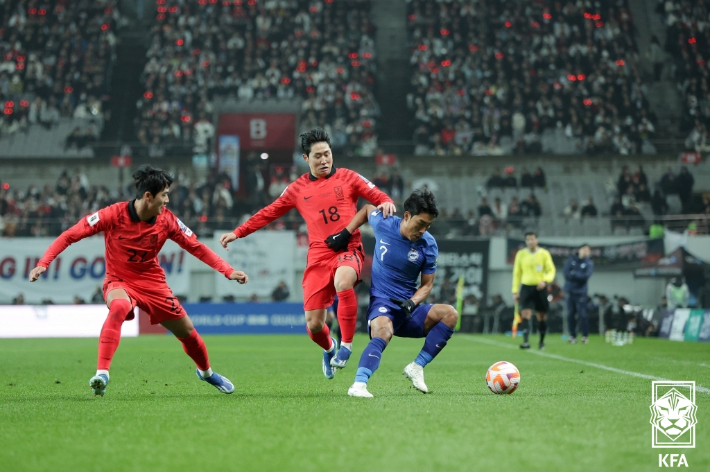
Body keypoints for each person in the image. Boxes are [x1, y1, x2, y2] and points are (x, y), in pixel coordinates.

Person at [29, 165, 249, 397]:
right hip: (119, 281)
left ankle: (206, 373)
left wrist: (228, 270)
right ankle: (102, 374)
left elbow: (196, 248)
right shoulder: (112, 215)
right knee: (120, 306)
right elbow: (70, 234)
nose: (167, 200)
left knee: (187, 331)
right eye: (163, 195)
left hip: (153, 283)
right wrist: (44, 262)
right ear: (148, 196)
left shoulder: (168, 221)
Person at [219, 128, 395, 378]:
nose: (324, 160)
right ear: (305, 158)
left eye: (327, 154)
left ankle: (346, 346)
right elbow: (269, 212)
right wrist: (239, 232)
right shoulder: (297, 189)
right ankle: (330, 346)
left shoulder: (348, 177)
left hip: (348, 248)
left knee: (344, 281)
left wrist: (386, 201)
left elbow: (378, 195)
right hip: (318, 257)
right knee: (314, 326)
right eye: (317, 156)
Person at [324, 189, 457, 397]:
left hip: (408, 308)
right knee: (383, 332)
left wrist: (412, 302)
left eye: (428, 226)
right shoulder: (385, 224)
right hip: (383, 303)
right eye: (420, 224)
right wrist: (346, 232)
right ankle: (358, 385)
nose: (423, 230)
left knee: (450, 314)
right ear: (406, 216)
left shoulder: (428, 244)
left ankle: (417, 366)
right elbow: (367, 210)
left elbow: (427, 285)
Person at [512, 232, 556, 349]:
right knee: (525, 314)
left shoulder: (544, 254)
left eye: (532, 239)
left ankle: (541, 342)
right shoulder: (521, 254)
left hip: (540, 288)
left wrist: (545, 281)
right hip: (526, 287)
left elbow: (551, 270)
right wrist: (515, 291)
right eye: (528, 240)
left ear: (537, 240)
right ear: (526, 241)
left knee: (541, 316)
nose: (530, 241)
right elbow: (517, 273)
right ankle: (526, 341)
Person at [563, 244, 594, 344]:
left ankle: (584, 336)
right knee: (570, 314)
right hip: (570, 291)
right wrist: (577, 275)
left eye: (588, 250)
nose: (585, 251)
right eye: (584, 249)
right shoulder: (571, 260)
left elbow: (585, 276)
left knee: (582, 315)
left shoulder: (589, 263)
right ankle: (573, 336)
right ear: (579, 249)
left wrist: (574, 273)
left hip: (581, 293)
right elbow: (566, 273)